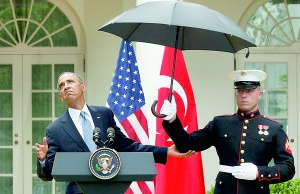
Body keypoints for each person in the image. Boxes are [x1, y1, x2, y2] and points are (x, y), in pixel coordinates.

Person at [35, 72, 193, 194]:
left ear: (83, 87)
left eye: (70, 82)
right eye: (61, 85)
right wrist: (42, 160)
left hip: (110, 188)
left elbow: (128, 146)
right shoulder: (55, 129)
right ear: (61, 96)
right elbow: (48, 174)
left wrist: (166, 152)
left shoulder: (104, 115)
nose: (66, 86)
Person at [160, 70, 295, 194]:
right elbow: (187, 145)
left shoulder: (273, 128)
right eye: (240, 90)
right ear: (235, 93)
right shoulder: (220, 123)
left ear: (259, 94)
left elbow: (288, 168)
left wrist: (258, 172)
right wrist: (172, 119)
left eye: (249, 90)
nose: (244, 95)